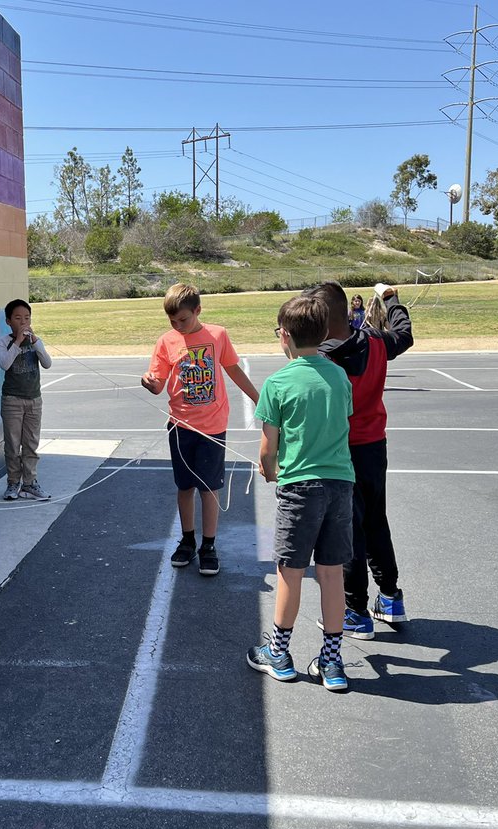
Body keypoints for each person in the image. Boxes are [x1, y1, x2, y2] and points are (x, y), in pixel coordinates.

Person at [246, 295, 356, 692]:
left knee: (290, 572)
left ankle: (278, 652)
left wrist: (270, 470)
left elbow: (268, 446)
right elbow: (341, 422)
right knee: (331, 574)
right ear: (325, 334)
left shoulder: (277, 383)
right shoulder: (339, 377)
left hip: (301, 488)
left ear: (285, 336)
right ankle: (331, 661)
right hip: (340, 484)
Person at [308, 280, 413, 640]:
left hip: (338, 452)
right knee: (375, 520)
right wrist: (391, 298)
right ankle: (390, 597)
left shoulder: (320, 359)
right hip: (373, 446)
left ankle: (355, 610)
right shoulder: (376, 342)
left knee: (346, 529)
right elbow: (404, 333)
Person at [141, 283, 259, 576]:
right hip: (181, 426)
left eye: (183, 319)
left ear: (198, 310)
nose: (177, 325)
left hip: (212, 427)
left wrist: (259, 398)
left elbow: (233, 369)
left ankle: (208, 545)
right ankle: (188, 540)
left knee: (209, 488)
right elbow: (158, 382)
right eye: (172, 321)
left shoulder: (217, 335)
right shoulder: (167, 341)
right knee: (185, 487)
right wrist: (151, 383)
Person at [0, 298, 53, 501]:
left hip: (34, 400)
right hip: (12, 400)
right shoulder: (4, 342)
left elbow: (47, 363)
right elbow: (4, 364)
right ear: (8, 321)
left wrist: (35, 342)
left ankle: (30, 483)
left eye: (27, 318)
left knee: (31, 444)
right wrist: (18, 341)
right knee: (13, 444)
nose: (23, 322)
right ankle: (13, 483)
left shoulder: (35, 341)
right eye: (18, 318)